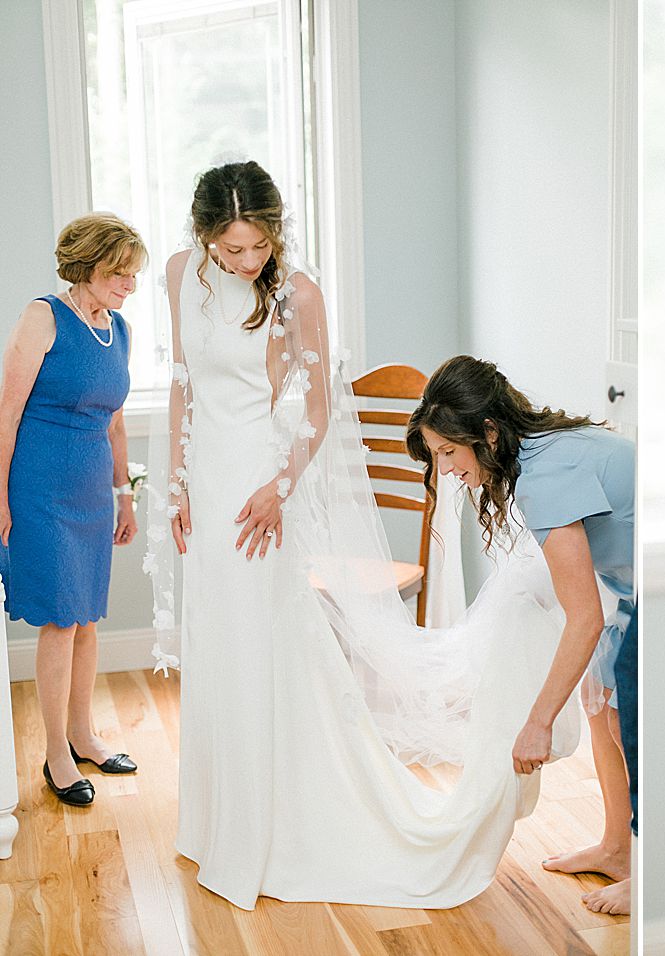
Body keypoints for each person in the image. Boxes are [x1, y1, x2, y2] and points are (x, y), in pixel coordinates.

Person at [146, 160, 573, 909]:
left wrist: (279, 489)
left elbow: (316, 411)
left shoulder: (298, 293)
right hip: (207, 483)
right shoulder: (182, 272)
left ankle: (270, 829)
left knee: (260, 642)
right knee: (218, 640)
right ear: (204, 235)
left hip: (259, 484)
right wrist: (176, 484)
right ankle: (217, 824)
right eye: (233, 249)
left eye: (259, 247)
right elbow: (183, 379)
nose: (249, 262)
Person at [407, 355, 636, 916]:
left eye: (448, 454)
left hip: (660, 583)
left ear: (486, 433)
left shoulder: (543, 479)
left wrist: (536, 724)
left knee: (628, 718)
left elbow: (583, 617)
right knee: (602, 709)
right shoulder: (540, 447)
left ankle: (643, 871)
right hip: (630, 581)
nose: (447, 469)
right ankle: (616, 847)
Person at [0, 213, 144, 806]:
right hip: (38, 486)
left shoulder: (120, 330)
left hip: (89, 492)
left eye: (134, 276)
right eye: (121, 273)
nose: (130, 285)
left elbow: (114, 420)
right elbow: (6, 412)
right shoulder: (44, 316)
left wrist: (125, 492)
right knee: (61, 618)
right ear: (88, 264)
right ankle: (56, 752)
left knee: (87, 618)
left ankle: (84, 734)